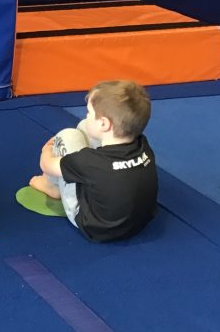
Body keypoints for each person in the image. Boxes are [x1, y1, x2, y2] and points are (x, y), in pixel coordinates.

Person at [30, 80, 157, 242]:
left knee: (68, 135)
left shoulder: (89, 162)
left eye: (89, 113)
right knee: (84, 127)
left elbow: (46, 165)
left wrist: (47, 149)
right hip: (139, 222)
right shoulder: (142, 144)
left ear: (104, 123)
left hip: (95, 228)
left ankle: (51, 186)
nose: (86, 116)